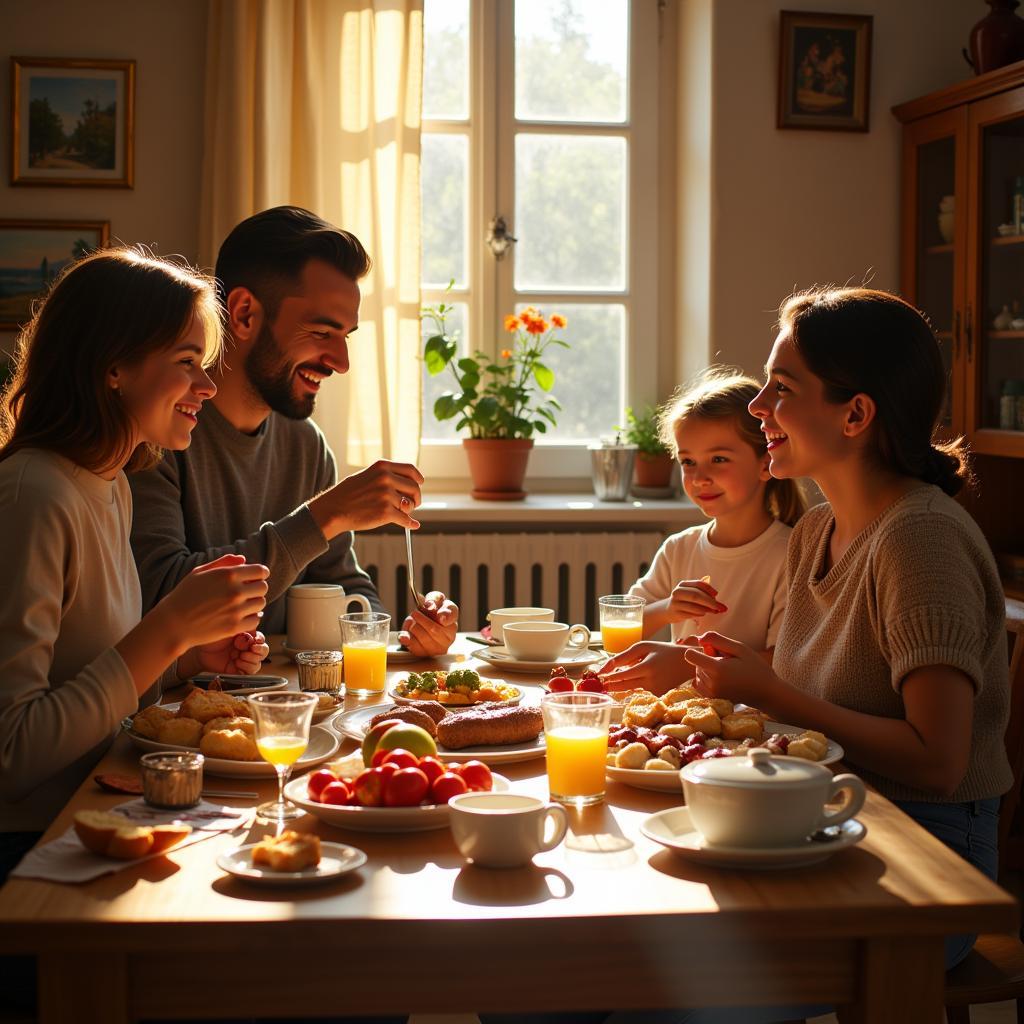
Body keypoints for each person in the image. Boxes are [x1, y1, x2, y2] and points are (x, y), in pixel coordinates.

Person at [601, 286, 1012, 1021]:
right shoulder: (819, 533)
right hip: (823, 821)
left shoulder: (919, 541)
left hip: (922, 857)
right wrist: (693, 666)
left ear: (856, 415)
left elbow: (940, 761)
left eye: (781, 390)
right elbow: (795, 693)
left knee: (648, 994)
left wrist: (769, 694)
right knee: (609, 958)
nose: (758, 408)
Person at [0, 248, 269, 883]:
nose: (206, 386)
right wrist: (166, 631)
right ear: (112, 366)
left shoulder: (109, 483)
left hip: (100, 813)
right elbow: (12, 755)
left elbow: (90, 682)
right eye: (186, 365)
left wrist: (184, 661)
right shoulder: (33, 496)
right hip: (32, 849)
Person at [128, 206, 457, 655]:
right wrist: (324, 516)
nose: (341, 362)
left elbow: (339, 586)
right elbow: (160, 592)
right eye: (322, 331)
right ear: (244, 314)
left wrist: (402, 632)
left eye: (346, 336)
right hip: (172, 709)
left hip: (283, 704)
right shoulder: (156, 434)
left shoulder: (306, 446)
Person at [608, 370, 804, 692]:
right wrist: (667, 609)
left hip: (751, 718)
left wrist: (687, 662)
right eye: (687, 462)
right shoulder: (678, 549)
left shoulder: (789, 553)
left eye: (718, 458)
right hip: (681, 715)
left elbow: (782, 662)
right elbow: (621, 626)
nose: (699, 477)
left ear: (764, 462)